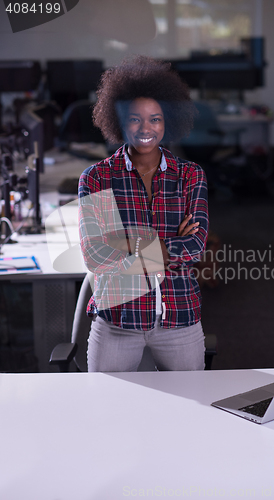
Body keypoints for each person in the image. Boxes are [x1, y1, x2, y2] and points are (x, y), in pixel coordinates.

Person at [78, 55, 209, 372]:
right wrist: (161, 245)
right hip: (118, 319)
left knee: (189, 415)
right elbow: (94, 253)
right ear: (120, 120)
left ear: (168, 121)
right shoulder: (96, 178)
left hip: (179, 317)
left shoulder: (190, 175)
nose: (146, 128)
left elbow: (196, 245)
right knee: (107, 410)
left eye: (156, 119)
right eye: (135, 118)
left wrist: (124, 242)